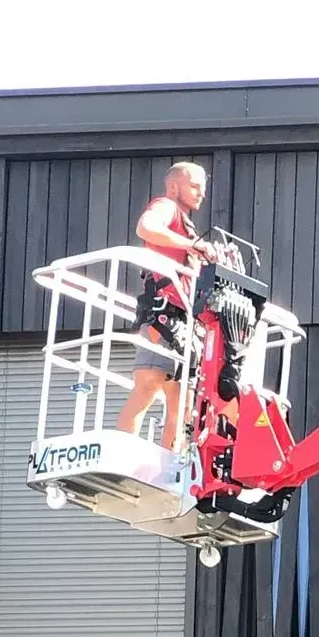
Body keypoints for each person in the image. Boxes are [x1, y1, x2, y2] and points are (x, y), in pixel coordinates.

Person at [116, 162, 209, 449]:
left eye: (203, 188)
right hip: (163, 315)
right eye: (194, 185)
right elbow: (146, 227)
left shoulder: (188, 230)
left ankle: (170, 465)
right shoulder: (166, 206)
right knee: (147, 387)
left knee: (182, 402)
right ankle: (124, 455)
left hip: (186, 322)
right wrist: (190, 245)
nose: (201, 193)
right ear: (173, 186)